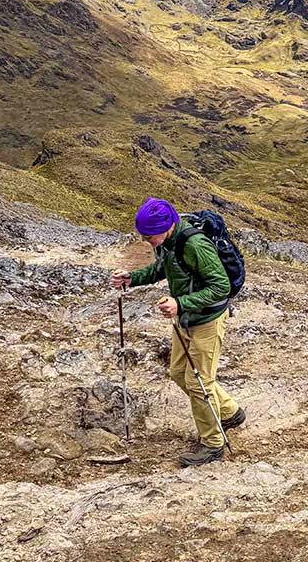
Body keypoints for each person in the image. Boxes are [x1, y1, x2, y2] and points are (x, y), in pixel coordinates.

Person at [112, 197, 245, 467]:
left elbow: (220, 287)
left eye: (150, 236)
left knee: (199, 382)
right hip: (185, 318)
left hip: (207, 319)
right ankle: (230, 413)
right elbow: (164, 269)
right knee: (177, 372)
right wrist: (132, 278)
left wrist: (180, 302)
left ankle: (213, 444)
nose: (147, 241)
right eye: (144, 236)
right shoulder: (168, 241)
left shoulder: (195, 244)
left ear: (167, 226)